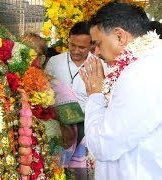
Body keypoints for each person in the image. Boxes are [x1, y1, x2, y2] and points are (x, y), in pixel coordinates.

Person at [79, 2, 162, 180]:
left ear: (119, 36)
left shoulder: (144, 75)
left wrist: (95, 95)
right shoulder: (145, 67)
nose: (97, 52)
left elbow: (104, 146)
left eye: (98, 44)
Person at [45, 21, 95, 179]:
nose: (76, 51)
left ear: (91, 46)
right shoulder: (55, 62)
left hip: (86, 129)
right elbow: (46, 89)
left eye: (82, 47)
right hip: (60, 127)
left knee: (80, 172)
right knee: (57, 169)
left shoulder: (99, 65)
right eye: (72, 45)